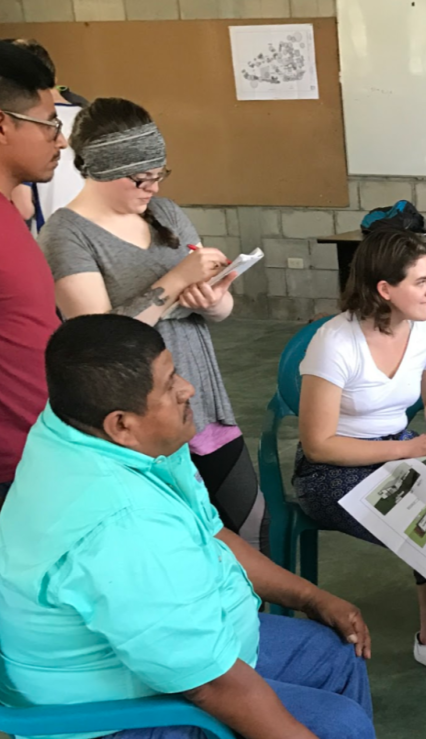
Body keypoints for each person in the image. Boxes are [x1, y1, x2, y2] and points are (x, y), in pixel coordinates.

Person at [0, 315, 426, 739]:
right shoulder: (115, 522)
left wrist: (312, 596)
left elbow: (211, 535)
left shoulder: (108, 442)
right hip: (100, 735)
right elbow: (211, 681)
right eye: (171, 385)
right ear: (120, 421)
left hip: (157, 659)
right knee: (332, 734)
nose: (190, 388)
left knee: (332, 653)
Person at [38, 97, 269, 554]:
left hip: (200, 397)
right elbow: (97, 344)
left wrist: (212, 298)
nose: (152, 186)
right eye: (141, 178)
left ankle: (260, 621)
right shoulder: (67, 235)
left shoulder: (165, 212)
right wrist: (175, 281)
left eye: (160, 174)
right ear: (101, 170)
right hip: (137, 416)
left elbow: (219, 313)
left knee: (249, 521)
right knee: (179, 537)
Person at [295, 228, 426, 681]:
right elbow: (319, 443)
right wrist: (412, 447)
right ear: (385, 290)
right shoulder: (335, 342)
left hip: (399, 449)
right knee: (425, 517)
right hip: (331, 470)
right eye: (421, 282)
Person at [0, 39, 68, 739]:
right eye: (48, 123)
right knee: (22, 626)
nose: (59, 139)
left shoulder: (9, 211)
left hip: (38, 457)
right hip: (3, 470)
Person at [8, 39, 87, 233]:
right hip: (98, 238)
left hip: (51, 243)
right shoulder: (91, 117)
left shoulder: (23, 127)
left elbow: (23, 208)